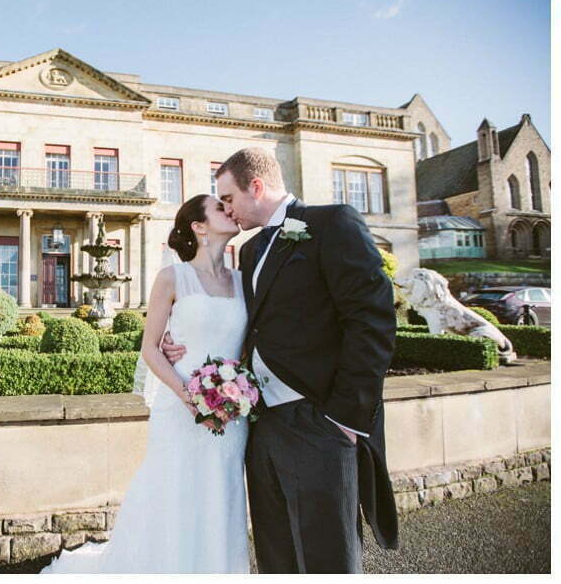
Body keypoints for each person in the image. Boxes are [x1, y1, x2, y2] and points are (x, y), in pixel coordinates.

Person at [162, 147, 399, 573]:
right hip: (261, 425)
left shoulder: (332, 223)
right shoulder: (249, 253)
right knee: (276, 555)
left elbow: (372, 321)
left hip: (321, 421)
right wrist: (174, 339)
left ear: (256, 187)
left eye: (229, 199)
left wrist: (345, 418)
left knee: (329, 559)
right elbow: (245, 327)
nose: (228, 210)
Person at [40, 193, 251, 573]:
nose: (230, 210)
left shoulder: (242, 279)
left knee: (223, 494)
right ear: (198, 226)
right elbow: (151, 349)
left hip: (232, 412)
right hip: (181, 408)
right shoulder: (172, 277)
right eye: (220, 207)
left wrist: (238, 390)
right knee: (173, 493)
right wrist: (189, 396)